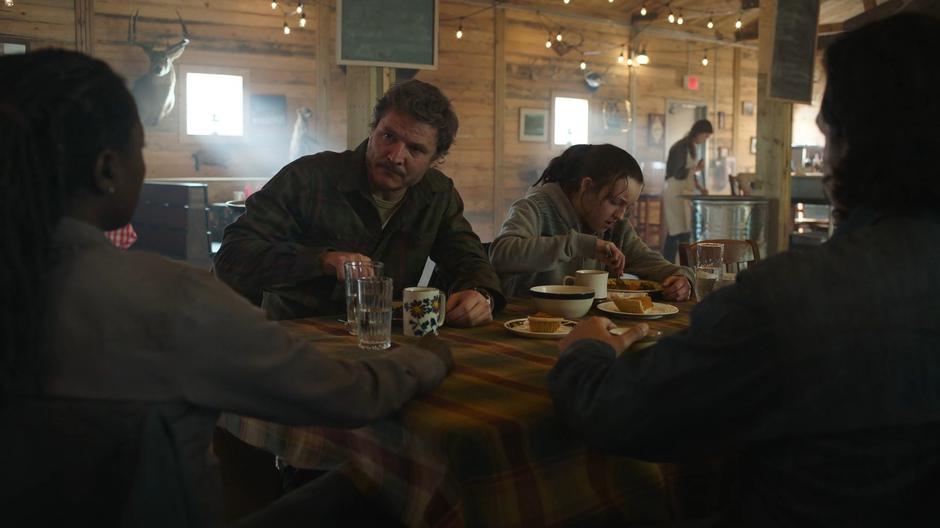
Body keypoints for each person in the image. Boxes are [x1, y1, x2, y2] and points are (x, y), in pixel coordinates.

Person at [0, 49, 453, 525]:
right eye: (142, 148)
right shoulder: (171, 300)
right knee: (371, 493)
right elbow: (353, 396)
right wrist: (429, 357)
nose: (397, 155)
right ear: (107, 170)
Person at [549, 13, 940, 526]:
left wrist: (584, 351)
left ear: (848, 144)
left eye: (825, 136)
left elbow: (622, 413)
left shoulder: (790, 299)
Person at [213, 79, 503, 325]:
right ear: (373, 128)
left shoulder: (437, 194)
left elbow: (469, 258)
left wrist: (481, 294)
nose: (394, 155)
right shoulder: (307, 178)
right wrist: (321, 260)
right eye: (388, 136)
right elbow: (232, 256)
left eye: (415, 148)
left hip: (385, 338)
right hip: (296, 336)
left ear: (435, 159)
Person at [490, 144, 692, 300]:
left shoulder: (615, 227)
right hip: (527, 326)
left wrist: (682, 278)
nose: (620, 215)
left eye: (627, 207)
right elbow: (501, 254)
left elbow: (650, 262)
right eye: (614, 202)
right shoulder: (534, 208)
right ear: (587, 186)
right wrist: (579, 245)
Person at [662, 119, 712, 264]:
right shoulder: (681, 147)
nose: (706, 139)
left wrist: (700, 188)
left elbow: (689, 174)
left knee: (684, 231)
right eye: (706, 136)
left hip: (683, 193)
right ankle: (669, 265)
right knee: (676, 231)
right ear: (699, 132)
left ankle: (681, 265)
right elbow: (677, 173)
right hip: (674, 192)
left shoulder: (691, 146)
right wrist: (696, 169)